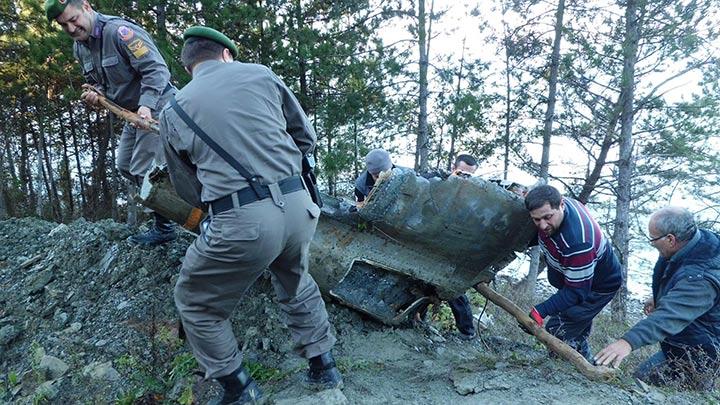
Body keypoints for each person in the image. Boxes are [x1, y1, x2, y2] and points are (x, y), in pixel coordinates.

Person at [159, 26, 342, 403]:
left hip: (242, 219)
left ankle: (239, 389)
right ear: (226, 53)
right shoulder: (261, 74)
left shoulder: (174, 108)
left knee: (195, 301)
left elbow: (187, 189)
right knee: (296, 281)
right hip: (299, 207)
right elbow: (304, 137)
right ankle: (324, 368)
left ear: (189, 65)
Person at [45, 0, 176, 246]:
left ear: (86, 6)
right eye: (64, 26)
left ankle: (170, 225)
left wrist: (146, 106)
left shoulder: (120, 33)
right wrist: (96, 94)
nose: (72, 29)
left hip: (157, 105)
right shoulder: (80, 48)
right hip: (129, 112)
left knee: (143, 168)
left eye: (73, 20)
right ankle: (167, 218)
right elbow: (100, 82)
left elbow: (157, 70)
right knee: (125, 164)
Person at [594, 207, 720, 390]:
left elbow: (669, 316)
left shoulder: (701, 278)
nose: (651, 244)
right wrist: (660, 295)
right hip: (681, 342)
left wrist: (627, 342)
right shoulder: (694, 242)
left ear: (670, 239)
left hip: (701, 353)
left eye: (653, 239)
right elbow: (679, 278)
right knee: (639, 381)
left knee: (681, 395)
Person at [523, 185, 622, 360]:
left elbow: (577, 292)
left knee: (559, 328)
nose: (543, 225)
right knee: (575, 324)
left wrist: (540, 311)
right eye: (536, 220)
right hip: (575, 277)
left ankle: (569, 371)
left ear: (561, 204)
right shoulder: (553, 205)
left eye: (547, 218)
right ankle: (581, 350)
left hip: (598, 286)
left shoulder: (579, 242)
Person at [416, 154, 481, 339]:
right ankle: (418, 320)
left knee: (453, 289)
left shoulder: (474, 195)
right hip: (427, 240)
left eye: (469, 176)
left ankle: (467, 333)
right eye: (461, 173)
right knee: (421, 284)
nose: (464, 179)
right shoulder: (435, 180)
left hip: (450, 249)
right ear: (454, 168)